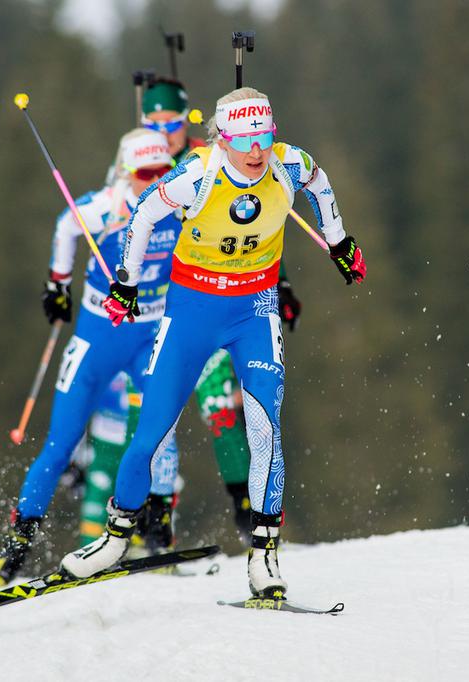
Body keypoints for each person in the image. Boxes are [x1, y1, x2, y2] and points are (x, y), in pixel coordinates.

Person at [60, 87, 367, 599]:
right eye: (244, 140)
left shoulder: (289, 164)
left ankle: (264, 557)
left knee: (265, 425)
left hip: (254, 310)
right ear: (222, 139)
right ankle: (116, 538)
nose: (256, 151)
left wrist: (339, 240)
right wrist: (126, 283)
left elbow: (321, 183)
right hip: (191, 312)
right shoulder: (196, 175)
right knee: (152, 431)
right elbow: (141, 217)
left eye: (264, 137)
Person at [76, 78, 302, 546]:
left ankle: (249, 514)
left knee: (222, 407)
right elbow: (124, 226)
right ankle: (152, 520)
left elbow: (255, 225)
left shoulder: (211, 158)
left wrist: (278, 286)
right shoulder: (137, 163)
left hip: (212, 301)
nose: (164, 131)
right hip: (153, 310)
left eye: (172, 121)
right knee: (153, 416)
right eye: (152, 122)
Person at [0, 129, 183, 590]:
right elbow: (65, 225)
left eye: (162, 171)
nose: (154, 180)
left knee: (160, 432)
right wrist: (58, 284)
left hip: (150, 333)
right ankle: (14, 552)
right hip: (99, 336)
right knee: (61, 441)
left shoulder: (180, 200)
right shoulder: (106, 207)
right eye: (144, 173)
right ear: (126, 172)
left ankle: (156, 536)